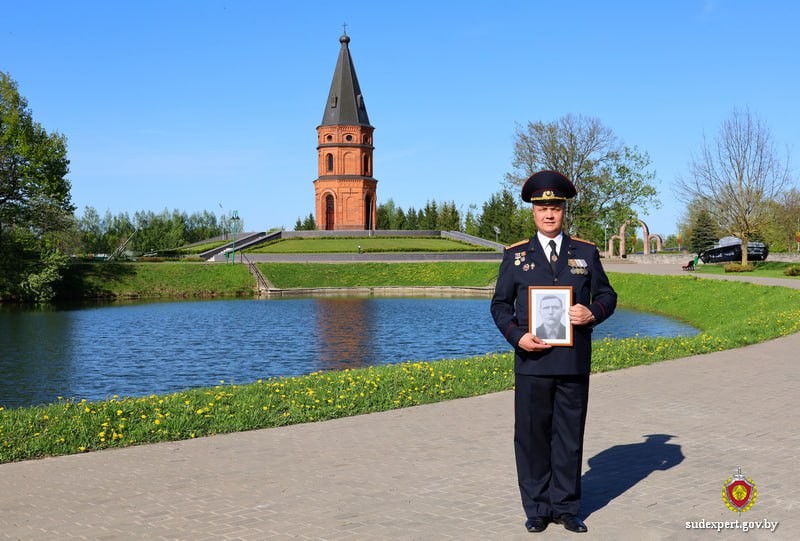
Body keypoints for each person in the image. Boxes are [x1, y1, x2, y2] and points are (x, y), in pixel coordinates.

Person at [490, 170, 617, 534]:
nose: (549, 214)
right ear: (533, 211)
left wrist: (593, 312)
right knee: (531, 437)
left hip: (572, 361)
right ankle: (536, 508)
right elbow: (500, 306)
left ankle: (565, 508)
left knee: (569, 436)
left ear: (564, 211)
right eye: (542, 207)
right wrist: (517, 336)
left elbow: (608, 296)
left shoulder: (586, 253)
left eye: (555, 208)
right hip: (532, 361)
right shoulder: (515, 257)